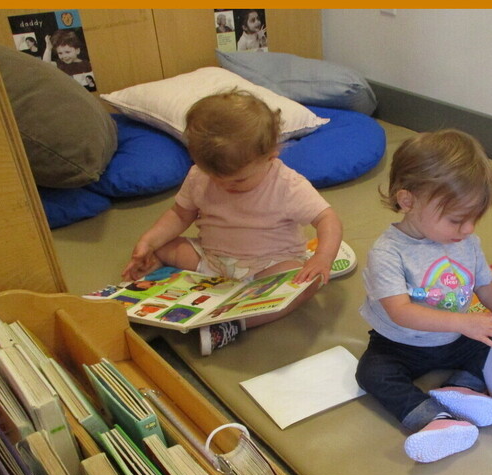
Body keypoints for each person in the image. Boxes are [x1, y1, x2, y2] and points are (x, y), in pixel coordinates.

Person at [122, 90, 342, 355]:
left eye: (237, 180)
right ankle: (155, 273)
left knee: (303, 284)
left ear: (270, 156)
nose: (224, 185)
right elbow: (181, 214)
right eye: (214, 176)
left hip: (268, 266)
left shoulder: (287, 185)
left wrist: (323, 257)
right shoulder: (199, 176)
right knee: (166, 246)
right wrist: (149, 242)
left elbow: (327, 218)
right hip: (210, 259)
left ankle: (235, 324)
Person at [355, 130, 492, 464]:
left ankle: (464, 389)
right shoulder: (388, 252)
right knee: (372, 374)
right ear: (408, 201)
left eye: (475, 218)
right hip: (399, 344)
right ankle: (433, 419)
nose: (469, 228)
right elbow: (400, 311)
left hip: (458, 337)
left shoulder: (466, 242)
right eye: (458, 219)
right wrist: (466, 321)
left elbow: (485, 283)